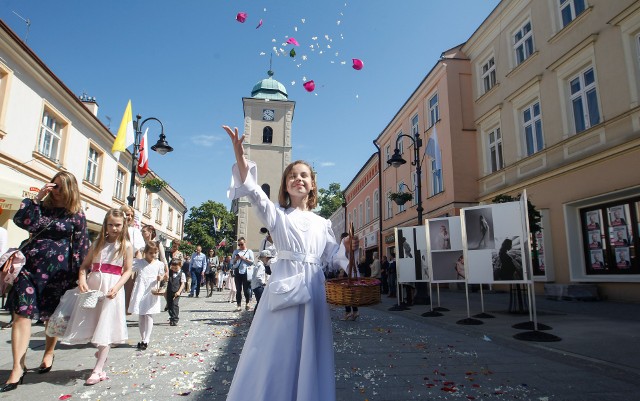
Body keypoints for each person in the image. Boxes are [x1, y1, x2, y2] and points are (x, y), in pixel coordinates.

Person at [224, 125, 349, 401]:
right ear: (285, 185)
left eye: (304, 175)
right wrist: (239, 151)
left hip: (314, 291)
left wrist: (348, 250)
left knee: (311, 347)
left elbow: (332, 260)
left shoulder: (323, 223)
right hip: (285, 289)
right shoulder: (278, 215)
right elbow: (253, 190)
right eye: (292, 176)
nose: (298, 179)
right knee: (279, 347)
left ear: (312, 184)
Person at [1, 172, 90, 393]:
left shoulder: (76, 215)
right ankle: (16, 368)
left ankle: (49, 352)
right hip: (29, 267)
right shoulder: (39, 208)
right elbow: (21, 220)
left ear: (69, 189)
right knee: (22, 312)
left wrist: (81, 275)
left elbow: (82, 246)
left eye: (59, 187)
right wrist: (37, 198)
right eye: (53, 185)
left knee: (52, 316)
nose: (55, 190)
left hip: (59, 273)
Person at [61, 208, 133, 385]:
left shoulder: (126, 246)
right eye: (111, 225)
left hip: (112, 288)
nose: (114, 228)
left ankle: (98, 368)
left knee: (106, 327)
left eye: (118, 225)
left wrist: (117, 287)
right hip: (94, 286)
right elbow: (85, 266)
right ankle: (102, 354)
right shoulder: (97, 243)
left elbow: (128, 270)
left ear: (123, 226)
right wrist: (82, 278)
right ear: (105, 225)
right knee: (92, 324)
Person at [128, 241, 164, 350]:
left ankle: (147, 339)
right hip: (140, 289)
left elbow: (162, 275)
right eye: (150, 253)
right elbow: (129, 269)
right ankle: (142, 338)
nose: (153, 255)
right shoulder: (139, 263)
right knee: (141, 314)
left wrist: (160, 278)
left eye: (155, 252)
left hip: (151, 290)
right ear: (145, 252)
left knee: (149, 314)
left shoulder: (159, 264)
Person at [121, 205, 144, 313]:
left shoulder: (135, 231)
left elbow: (138, 251)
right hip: (115, 263)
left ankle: (123, 314)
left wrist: (140, 268)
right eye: (127, 214)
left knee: (127, 292)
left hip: (130, 264)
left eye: (131, 215)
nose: (129, 217)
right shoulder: (115, 227)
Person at [231, 237, 254, 311]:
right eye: (239, 244)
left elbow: (252, 262)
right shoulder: (236, 251)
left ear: (245, 243)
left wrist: (244, 258)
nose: (240, 246)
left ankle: (247, 303)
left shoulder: (249, 251)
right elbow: (232, 262)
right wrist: (236, 259)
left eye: (241, 244)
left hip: (246, 271)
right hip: (238, 271)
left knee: (246, 289)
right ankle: (238, 305)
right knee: (238, 289)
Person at [166, 259, 186, 326]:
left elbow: (183, 284)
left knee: (175, 304)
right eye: (173, 268)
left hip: (176, 292)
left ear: (180, 266)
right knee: (169, 305)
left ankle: (175, 319)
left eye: (176, 268)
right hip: (169, 291)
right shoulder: (170, 272)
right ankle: (171, 317)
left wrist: (179, 291)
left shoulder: (182, 274)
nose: (174, 269)